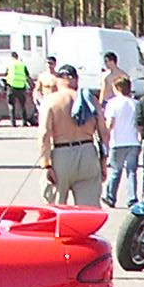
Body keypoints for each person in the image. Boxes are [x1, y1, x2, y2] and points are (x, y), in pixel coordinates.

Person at [38, 64, 106, 206]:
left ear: (57, 80)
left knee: (56, 206)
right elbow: (103, 134)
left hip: (61, 154)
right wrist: (103, 163)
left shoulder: (50, 101)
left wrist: (46, 164)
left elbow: (45, 134)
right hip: (88, 152)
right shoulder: (90, 100)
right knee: (89, 209)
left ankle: (61, 228)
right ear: (76, 80)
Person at [102, 73, 142, 208]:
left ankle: (111, 197)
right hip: (133, 141)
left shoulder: (112, 104)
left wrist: (105, 137)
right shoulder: (136, 104)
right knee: (132, 172)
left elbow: (110, 123)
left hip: (118, 141)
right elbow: (138, 124)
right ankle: (132, 198)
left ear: (117, 88)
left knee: (115, 171)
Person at [5, 51, 31, 127]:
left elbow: (6, 75)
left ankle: (13, 123)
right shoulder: (22, 65)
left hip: (11, 87)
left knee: (11, 105)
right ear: (17, 56)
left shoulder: (9, 65)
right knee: (22, 105)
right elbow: (27, 76)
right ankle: (24, 122)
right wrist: (31, 85)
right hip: (21, 87)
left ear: (11, 57)